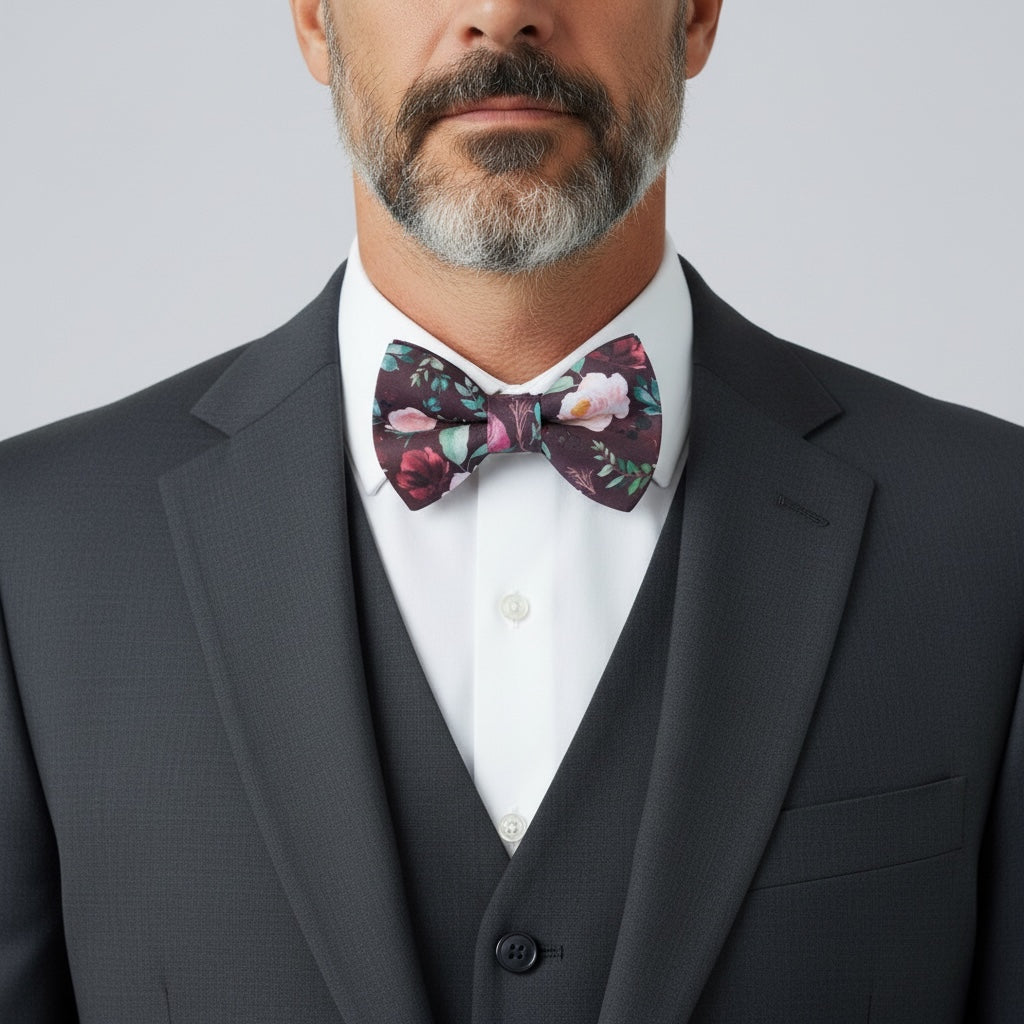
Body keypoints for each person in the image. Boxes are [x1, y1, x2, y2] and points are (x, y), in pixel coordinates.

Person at [1, 0, 1021, 1020]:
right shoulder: (32, 548)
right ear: (315, 21)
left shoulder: (988, 530)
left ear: (697, 16)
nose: (501, 13)